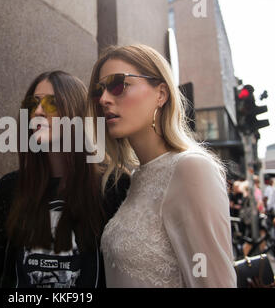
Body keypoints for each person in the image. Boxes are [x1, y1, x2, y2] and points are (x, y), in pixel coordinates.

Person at [87, 44, 237, 287]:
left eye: (118, 85)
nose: (104, 99)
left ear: (161, 94)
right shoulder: (137, 176)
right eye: (99, 90)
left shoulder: (191, 168)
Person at [0, 70, 129, 288]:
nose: (38, 111)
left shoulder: (113, 185)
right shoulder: (10, 187)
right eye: (33, 104)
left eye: (52, 104)